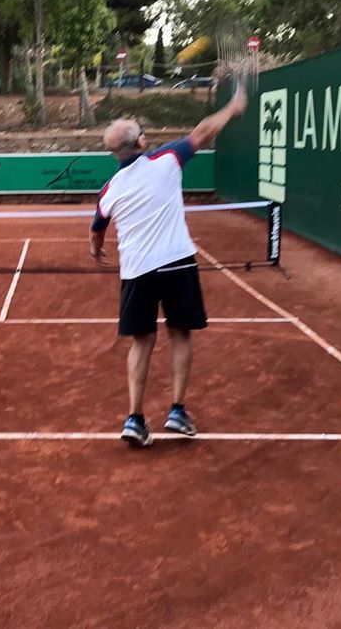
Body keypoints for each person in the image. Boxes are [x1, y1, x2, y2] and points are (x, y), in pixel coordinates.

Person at [89, 86, 247, 447]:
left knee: (141, 342)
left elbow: (96, 229)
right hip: (177, 263)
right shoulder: (168, 159)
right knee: (180, 334)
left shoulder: (109, 189)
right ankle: (177, 410)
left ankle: (135, 418)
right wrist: (232, 108)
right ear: (141, 143)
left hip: (137, 273)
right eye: (141, 131)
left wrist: (96, 251)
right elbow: (204, 130)